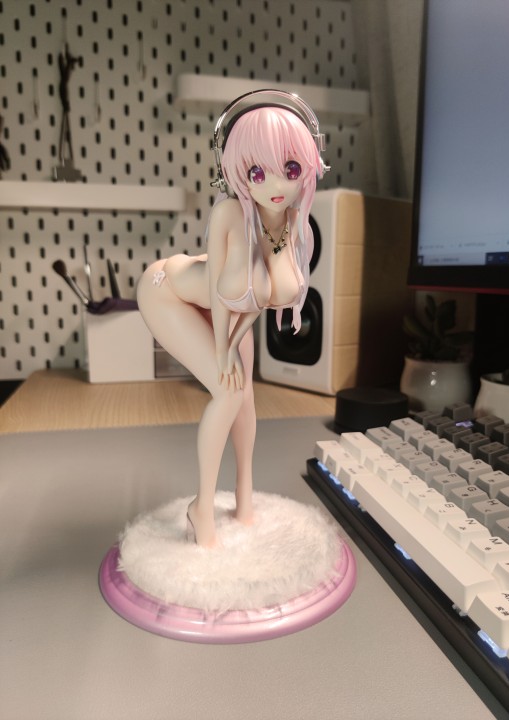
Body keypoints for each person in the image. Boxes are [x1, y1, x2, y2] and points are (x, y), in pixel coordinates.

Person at [137, 101, 325, 548]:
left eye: (290, 168)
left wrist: (235, 340)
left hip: (231, 309)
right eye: (258, 173)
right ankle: (201, 508)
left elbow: (260, 301)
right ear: (238, 173)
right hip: (168, 292)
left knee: (246, 397)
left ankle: (244, 500)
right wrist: (223, 350)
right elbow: (223, 295)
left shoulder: (292, 224)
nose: (276, 185)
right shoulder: (229, 214)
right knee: (228, 391)